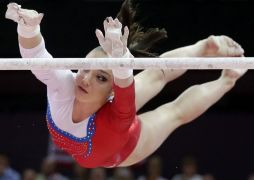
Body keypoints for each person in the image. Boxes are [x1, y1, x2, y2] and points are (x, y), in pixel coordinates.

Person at [5, 2, 246, 168]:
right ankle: (205, 46)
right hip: (109, 117)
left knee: (173, 111)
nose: (85, 79)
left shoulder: (118, 114)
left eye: (100, 77)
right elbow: (38, 56)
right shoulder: (65, 85)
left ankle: (227, 78)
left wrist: (121, 64)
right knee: (155, 77)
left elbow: (125, 84)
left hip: (127, 145)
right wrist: (28, 28)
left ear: (112, 90)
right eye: (85, 68)